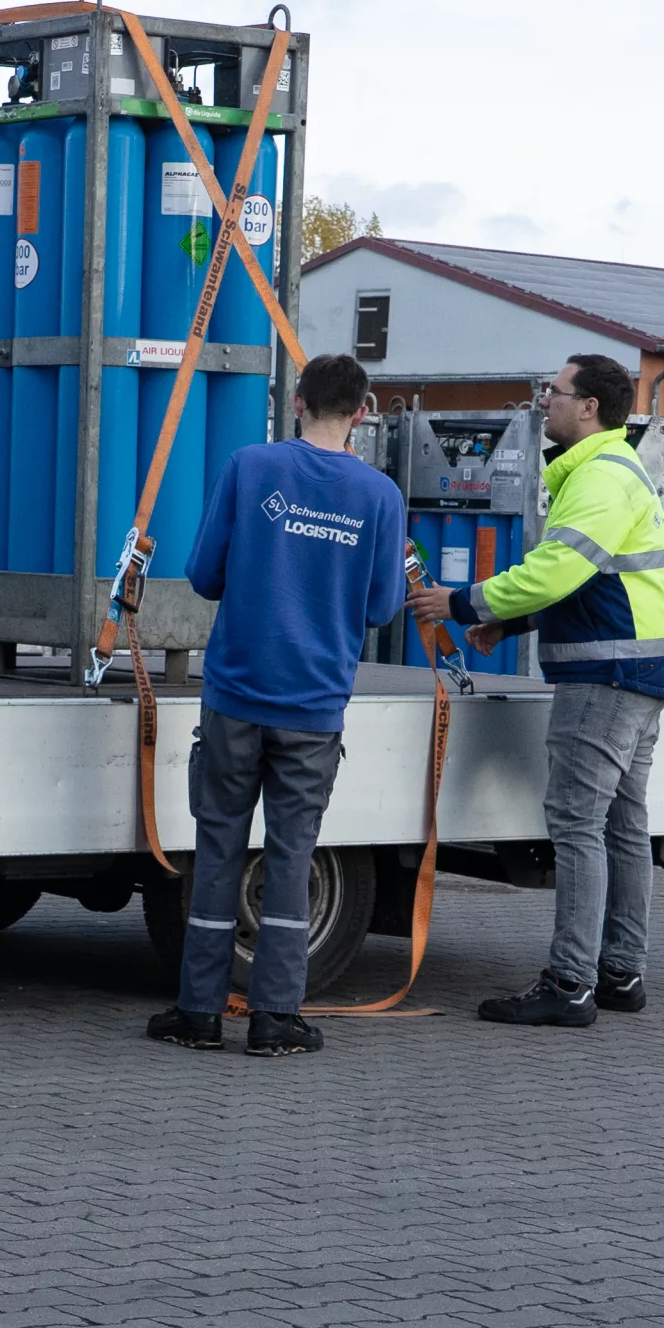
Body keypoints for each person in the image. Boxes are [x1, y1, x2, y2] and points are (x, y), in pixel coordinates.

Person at [407, 351, 664, 1027]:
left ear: (588, 407)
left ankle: (570, 984)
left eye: (553, 392)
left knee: (579, 825)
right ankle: (618, 972)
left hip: (606, 675)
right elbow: (590, 576)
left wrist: (465, 603)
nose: (543, 402)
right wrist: (513, 620)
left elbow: (560, 568)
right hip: (638, 672)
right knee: (623, 825)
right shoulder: (609, 471)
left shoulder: (602, 477)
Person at [149, 351, 406, 1057]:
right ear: (360, 413)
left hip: (235, 695)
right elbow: (384, 605)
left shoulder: (250, 467)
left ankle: (198, 1013)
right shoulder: (379, 496)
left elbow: (203, 575)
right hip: (314, 706)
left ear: (296, 401)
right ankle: (275, 1020)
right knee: (292, 857)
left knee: (218, 848)